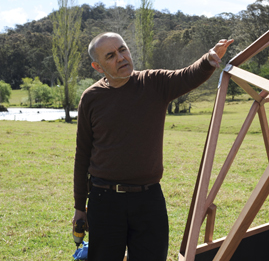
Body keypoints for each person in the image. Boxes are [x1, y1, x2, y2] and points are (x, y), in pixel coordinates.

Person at [72, 32, 233, 260]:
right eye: (111, 55)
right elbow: (82, 155)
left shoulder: (154, 83)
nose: (121, 57)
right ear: (97, 66)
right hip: (104, 200)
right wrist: (80, 207)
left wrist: (209, 59)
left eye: (123, 49)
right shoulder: (91, 98)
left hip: (148, 199)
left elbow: (185, 76)